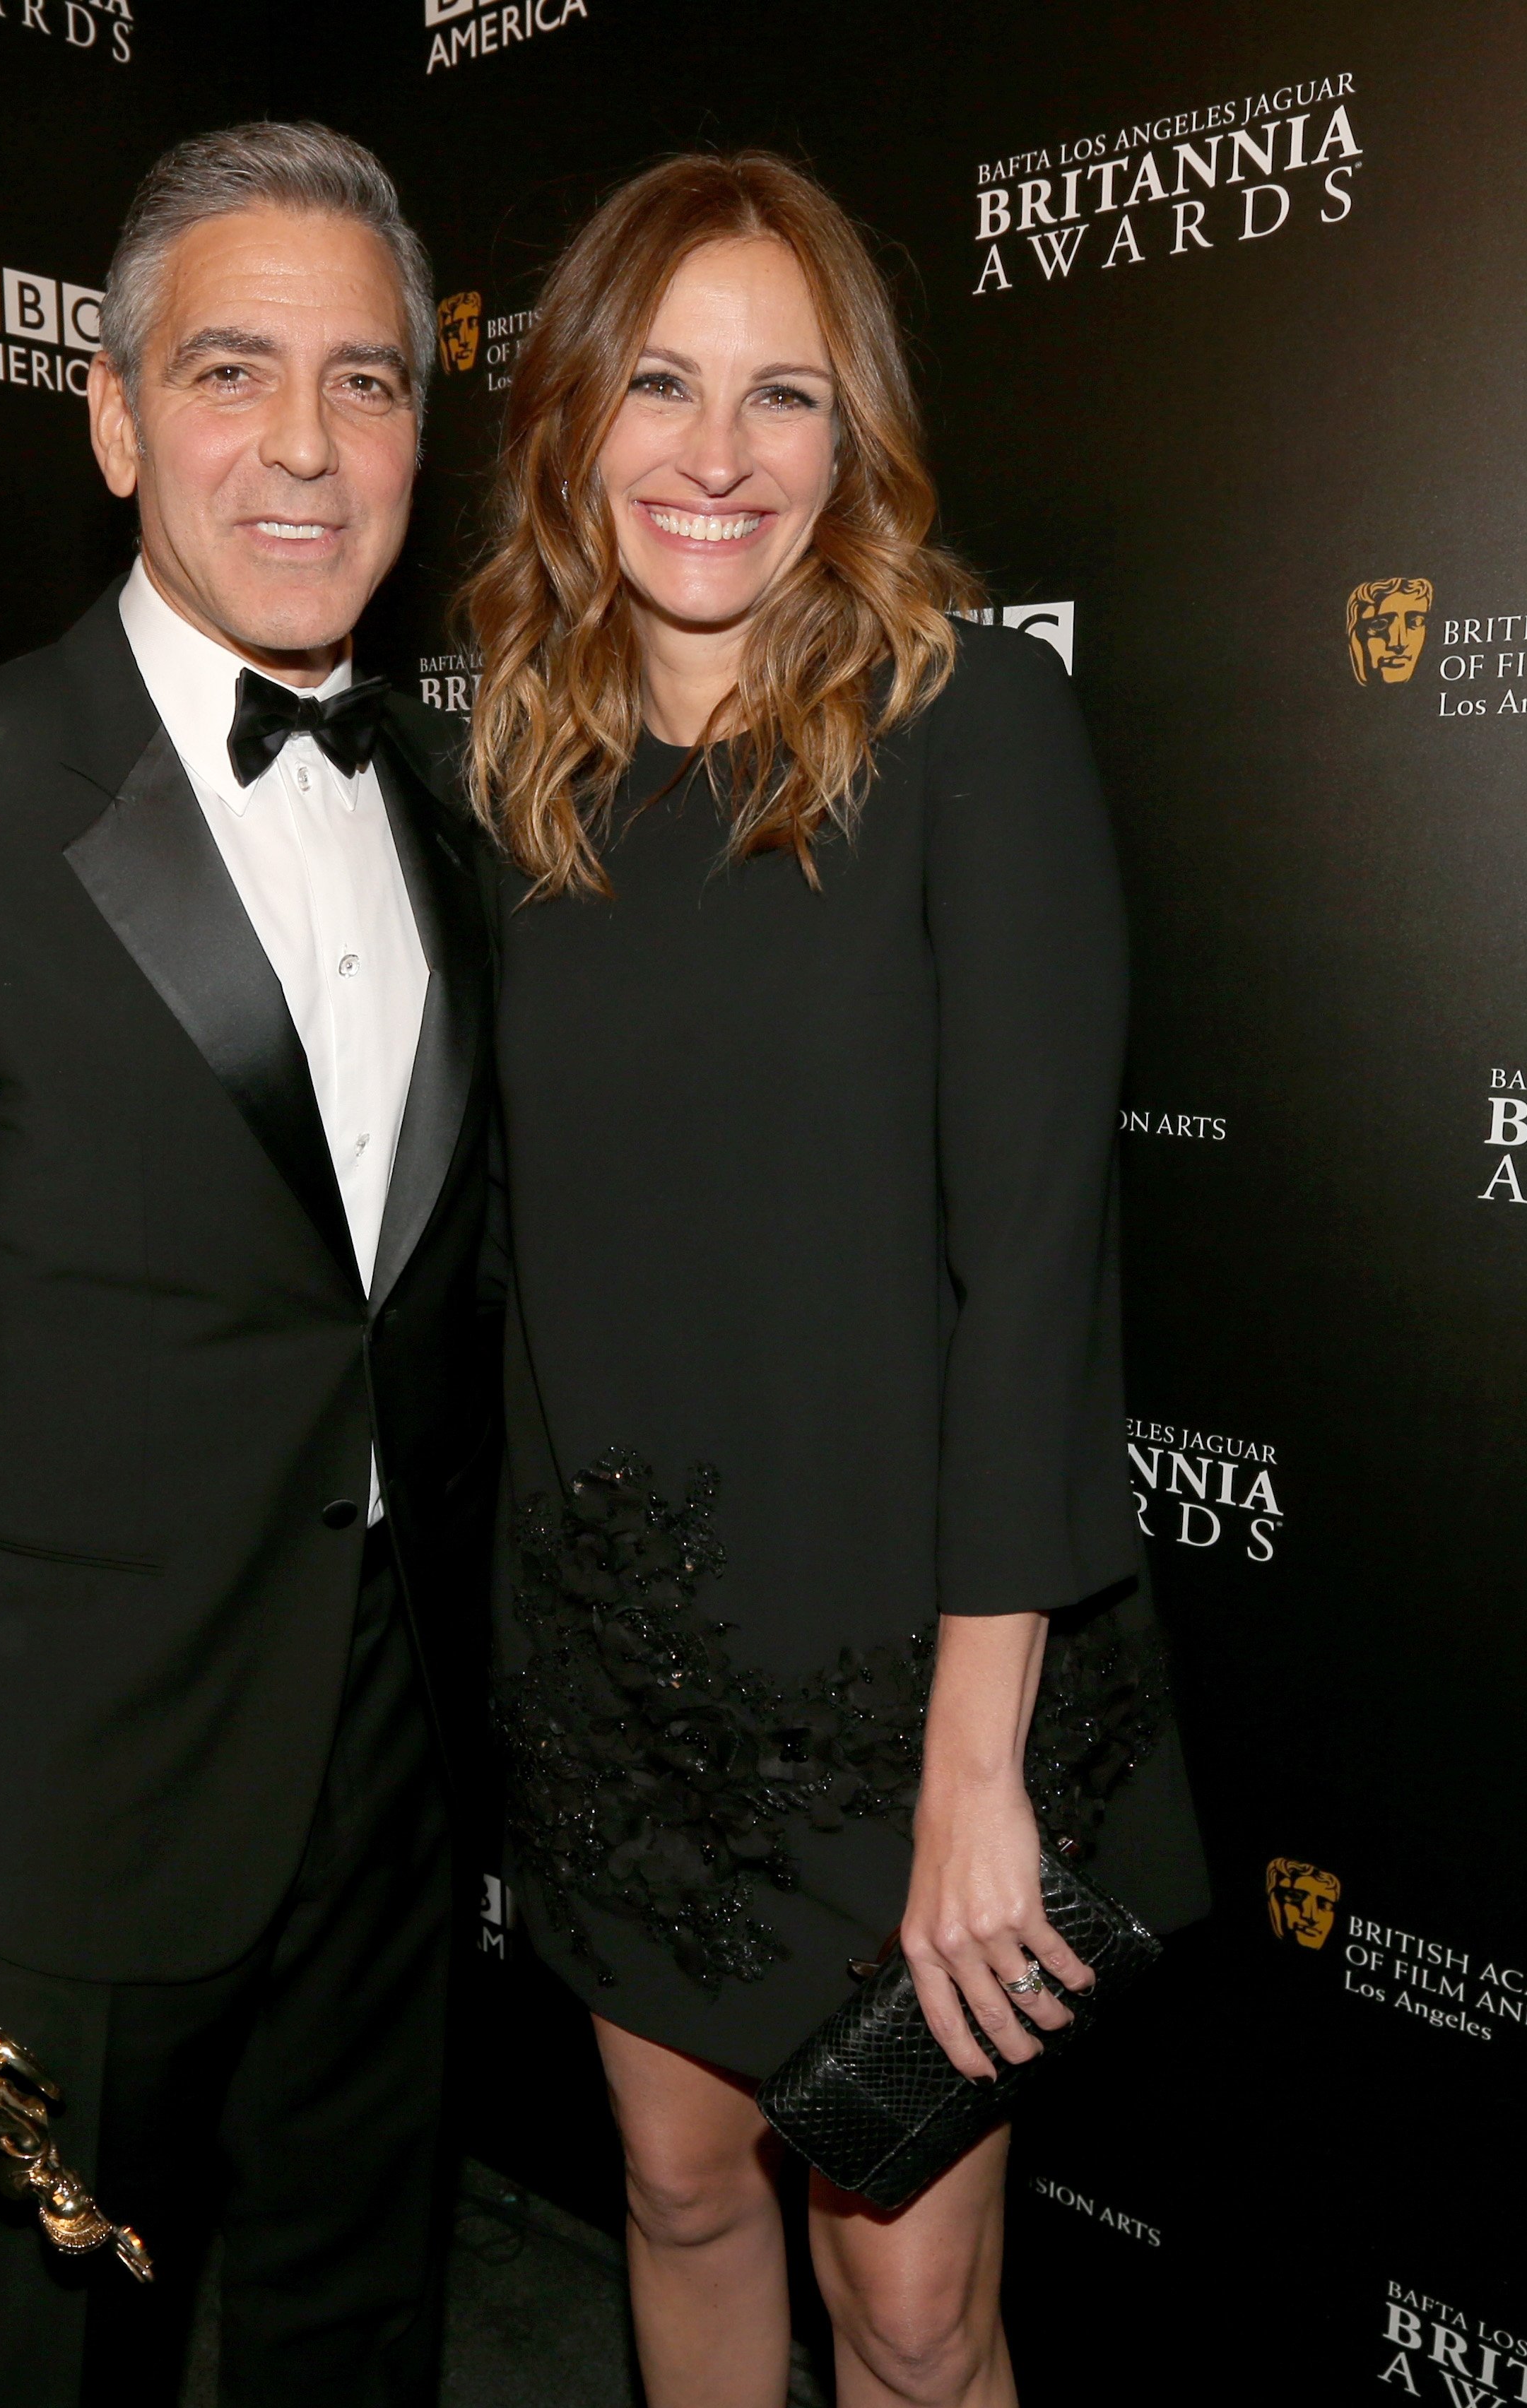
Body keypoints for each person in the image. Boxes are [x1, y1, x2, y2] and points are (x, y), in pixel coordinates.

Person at [0, 122, 495, 2408]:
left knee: (370, 2334)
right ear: (116, 411)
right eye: (233, 371)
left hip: (389, 1762)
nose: (305, 445)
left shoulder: (439, 806)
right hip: (59, 1811)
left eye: (366, 383)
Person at [465, 152, 1210, 2408]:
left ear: (851, 433)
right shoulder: (513, 773)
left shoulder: (967, 733)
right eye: (664, 384)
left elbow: (1037, 1268)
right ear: (576, 415)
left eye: (783, 395)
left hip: (913, 1693)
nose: (718, 455)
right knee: (679, 2193)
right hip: (614, 1676)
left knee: (907, 2306)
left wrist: (977, 1769)